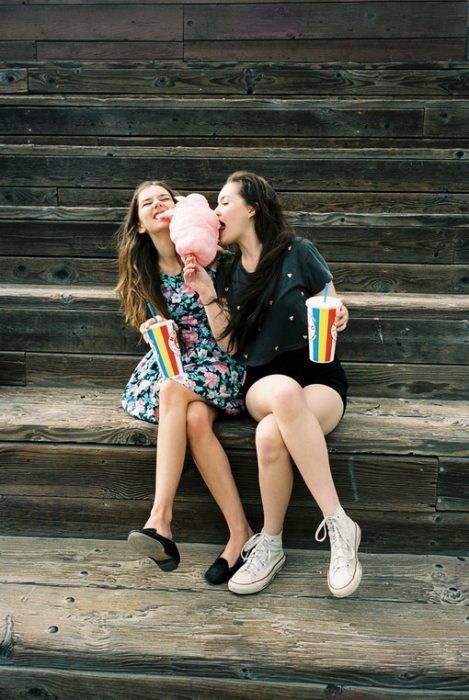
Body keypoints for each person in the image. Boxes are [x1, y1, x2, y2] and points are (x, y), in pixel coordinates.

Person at [183, 171, 362, 598]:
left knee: (269, 435)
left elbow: (332, 304)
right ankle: (339, 521)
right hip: (262, 381)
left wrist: (340, 314)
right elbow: (229, 347)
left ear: (252, 208)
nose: (215, 211)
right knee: (281, 394)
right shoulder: (222, 271)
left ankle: (271, 542)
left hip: (320, 376)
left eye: (224, 202)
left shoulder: (298, 252)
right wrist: (207, 293)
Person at [114, 180, 252, 584]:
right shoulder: (144, 273)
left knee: (173, 388)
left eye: (166, 199)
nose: (159, 205)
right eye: (147, 204)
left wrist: (205, 288)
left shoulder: (214, 260)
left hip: (220, 360)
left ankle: (160, 519)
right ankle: (241, 533)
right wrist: (152, 331)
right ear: (140, 224)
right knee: (192, 419)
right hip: (176, 363)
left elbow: (233, 337)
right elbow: (155, 330)